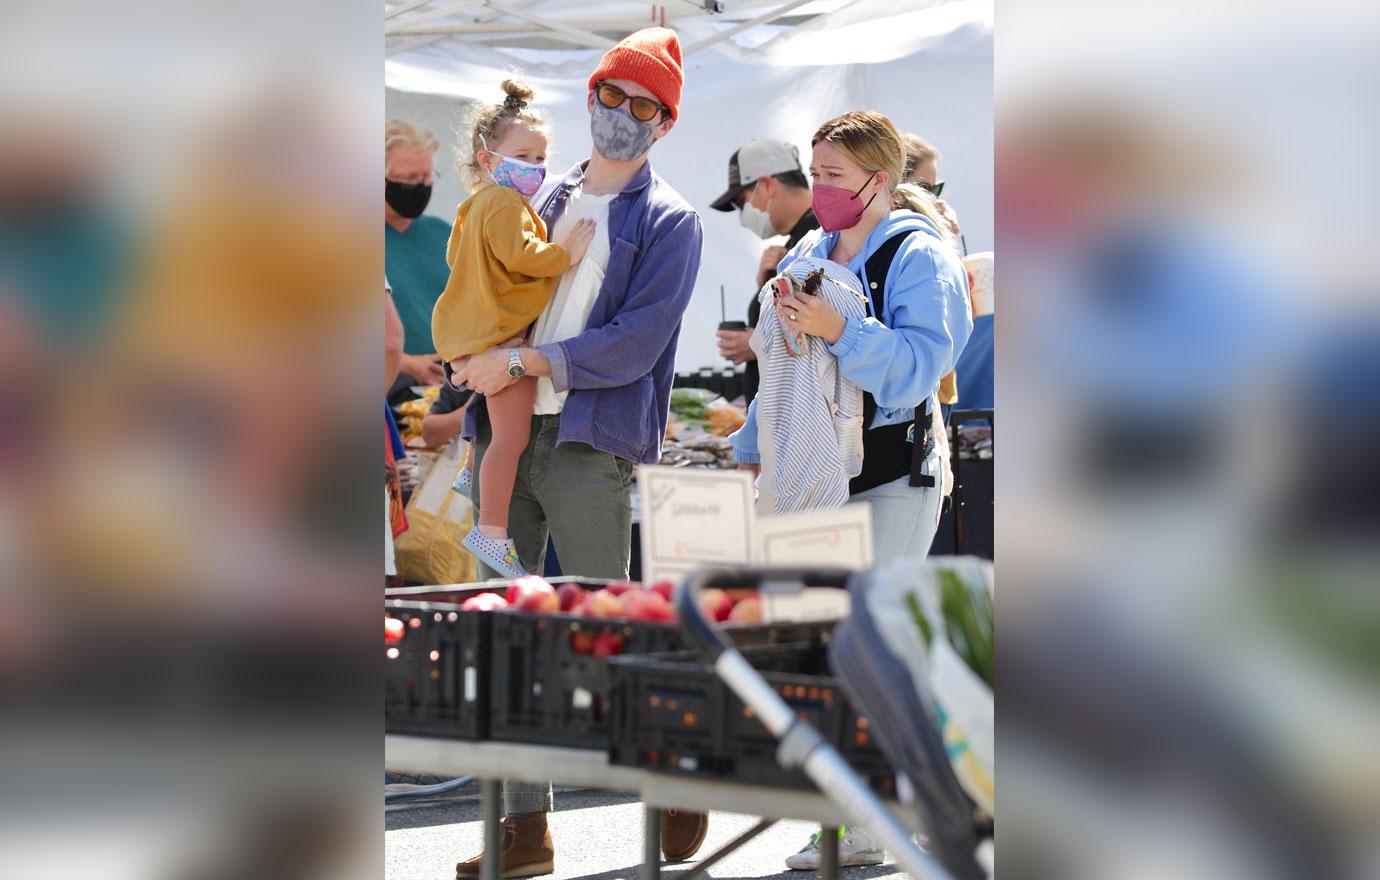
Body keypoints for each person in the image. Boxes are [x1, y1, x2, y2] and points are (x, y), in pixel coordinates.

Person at [451, 28, 708, 877]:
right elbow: (492, 290)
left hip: (589, 441)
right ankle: (525, 829)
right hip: (505, 430)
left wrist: (525, 360)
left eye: (646, 108)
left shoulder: (672, 221)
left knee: (603, 621)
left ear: (664, 124)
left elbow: (636, 344)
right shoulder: (537, 190)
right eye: (614, 97)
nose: (624, 118)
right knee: (508, 634)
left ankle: (670, 768)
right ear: (591, 94)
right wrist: (476, 368)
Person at [730, 111, 973, 868]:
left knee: (865, 646)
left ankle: (877, 820)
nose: (821, 188)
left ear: (880, 178)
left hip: (893, 476)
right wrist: (748, 449)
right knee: (829, 648)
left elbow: (917, 366)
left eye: (832, 175)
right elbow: (781, 369)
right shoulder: (808, 248)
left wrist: (841, 329)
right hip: (813, 476)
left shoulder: (918, 255)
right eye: (816, 171)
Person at [431, 80, 596, 577]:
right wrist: (565, 255)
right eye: (523, 154)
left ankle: (470, 475)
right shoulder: (504, 202)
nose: (537, 166)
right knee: (511, 439)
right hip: (496, 341)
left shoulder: (473, 204)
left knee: (496, 430)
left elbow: (459, 258)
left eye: (542, 156)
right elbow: (520, 255)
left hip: (470, 335)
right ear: (487, 159)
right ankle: (493, 532)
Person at [709, 139, 819, 403]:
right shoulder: (797, 240)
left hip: (799, 416)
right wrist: (765, 285)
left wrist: (756, 342)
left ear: (768, 185)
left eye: (741, 202)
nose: (743, 215)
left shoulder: (818, 237)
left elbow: (825, 329)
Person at [384, 119, 450, 392]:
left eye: (426, 177)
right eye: (409, 179)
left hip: (450, 388)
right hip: (392, 392)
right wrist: (407, 363)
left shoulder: (445, 233)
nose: (421, 186)